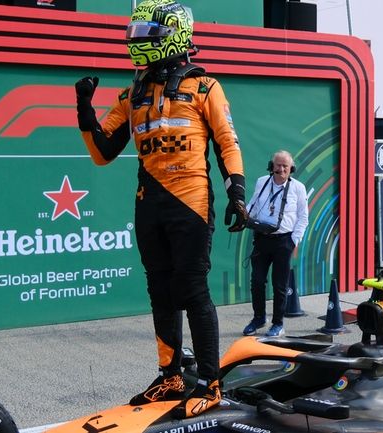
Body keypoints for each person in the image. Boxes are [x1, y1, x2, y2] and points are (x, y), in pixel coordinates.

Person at [74, 0, 248, 419]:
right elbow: (102, 152)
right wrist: (84, 108)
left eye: (145, 35)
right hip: (148, 203)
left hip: (190, 200)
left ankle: (210, 382)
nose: (136, 43)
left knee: (191, 289)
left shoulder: (205, 86)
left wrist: (237, 194)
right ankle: (170, 374)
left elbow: (227, 142)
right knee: (160, 293)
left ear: (174, 34)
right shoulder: (133, 93)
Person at [242, 151, 308, 338]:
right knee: (257, 281)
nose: (281, 169)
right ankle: (258, 318)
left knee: (280, 285)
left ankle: (278, 323)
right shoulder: (262, 181)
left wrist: (294, 240)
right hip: (262, 239)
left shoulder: (298, 188)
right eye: (278, 165)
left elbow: (303, 217)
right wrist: (244, 216)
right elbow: (253, 204)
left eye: (285, 166)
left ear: (291, 168)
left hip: (283, 241)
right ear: (272, 166)